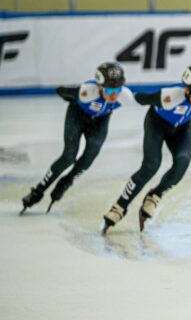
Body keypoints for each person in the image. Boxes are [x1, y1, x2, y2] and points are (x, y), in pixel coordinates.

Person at [101, 64, 191, 233]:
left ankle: (155, 195)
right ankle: (120, 206)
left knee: (182, 162)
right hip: (156, 124)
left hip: (182, 128)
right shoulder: (169, 97)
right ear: (186, 90)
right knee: (151, 166)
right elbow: (141, 98)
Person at [20, 62, 132, 214]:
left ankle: (67, 181)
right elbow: (61, 91)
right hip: (77, 116)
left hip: (100, 121)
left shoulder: (125, 97)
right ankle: (38, 191)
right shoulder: (86, 92)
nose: (114, 94)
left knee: (91, 154)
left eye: (117, 89)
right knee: (69, 156)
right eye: (110, 89)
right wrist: (70, 97)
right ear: (99, 86)